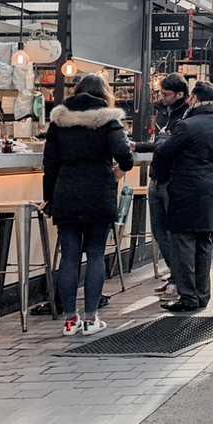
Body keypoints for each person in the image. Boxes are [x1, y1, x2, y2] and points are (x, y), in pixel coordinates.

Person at [43, 74, 133, 335]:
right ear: (104, 93)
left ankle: (70, 320)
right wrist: (121, 169)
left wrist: (49, 198)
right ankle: (91, 318)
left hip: (66, 190)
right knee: (95, 253)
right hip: (98, 190)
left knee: (69, 256)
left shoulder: (59, 119)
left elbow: (49, 164)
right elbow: (123, 153)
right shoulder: (108, 118)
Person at [154, 82, 213, 312]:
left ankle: (188, 296)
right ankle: (202, 293)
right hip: (209, 190)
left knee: (183, 243)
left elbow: (165, 151)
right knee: (204, 243)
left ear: (194, 98)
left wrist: (161, 138)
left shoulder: (186, 126)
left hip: (185, 190)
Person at [134, 72, 190, 302]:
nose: (162, 97)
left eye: (166, 94)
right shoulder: (160, 112)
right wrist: (140, 145)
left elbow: (171, 145)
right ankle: (174, 275)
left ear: (179, 94)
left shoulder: (186, 115)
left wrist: (161, 141)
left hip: (172, 179)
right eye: (160, 93)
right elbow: (160, 143)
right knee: (158, 231)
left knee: (173, 232)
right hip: (156, 176)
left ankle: (179, 279)